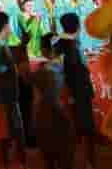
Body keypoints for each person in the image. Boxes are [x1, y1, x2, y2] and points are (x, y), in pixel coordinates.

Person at [0, 11, 27, 169]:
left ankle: (16, 162)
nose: (10, 27)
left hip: (7, 94)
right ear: (5, 25)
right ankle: (6, 163)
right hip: (0, 95)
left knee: (13, 130)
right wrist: (13, 67)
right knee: (4, 133)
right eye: (8, 24)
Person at [57, 13, 97, 169]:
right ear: (77, 26)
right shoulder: (70, 45)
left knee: (77, 129)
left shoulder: (65, 43)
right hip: (79, 92)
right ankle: (88, 162)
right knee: (85, 129)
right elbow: (74, 71)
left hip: (75, 92)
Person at [32, 34, 74, 169]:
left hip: (45, 116)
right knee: (65, 157)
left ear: (44, 49)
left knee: (49, 158)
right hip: (62, 113)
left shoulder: (43, 70)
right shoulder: (64, 66)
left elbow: (37, 94)